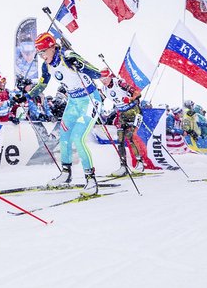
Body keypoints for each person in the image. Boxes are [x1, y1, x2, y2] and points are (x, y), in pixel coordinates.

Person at [27, 32, 104, 194]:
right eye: (39, 54)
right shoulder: (46, 65)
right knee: (64, 135)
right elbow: (42, 85)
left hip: (90, 100)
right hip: (74, 102)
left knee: (78, 137)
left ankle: (91, 180)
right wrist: (25, 96)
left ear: (52, 47)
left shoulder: (67, 56)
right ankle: (66, 173)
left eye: (43, 52)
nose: (41, 56)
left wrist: (80, 65)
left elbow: (97, 73)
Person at [98, 69, 143, 175]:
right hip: (122, 114)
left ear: (110, 76)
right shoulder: (104, 89)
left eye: (105, 78)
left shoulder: (119, 83)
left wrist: (130, 98)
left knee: (130, 137)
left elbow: (138, 94)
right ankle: (123, 166)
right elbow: (99, 99)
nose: (103, 81)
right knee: (120, 140)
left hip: (133, 111)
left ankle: (140, 162)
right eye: (101, 79)